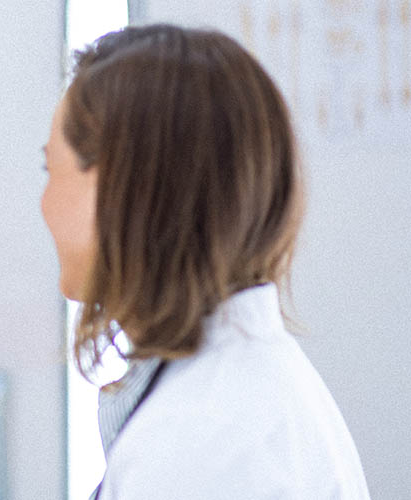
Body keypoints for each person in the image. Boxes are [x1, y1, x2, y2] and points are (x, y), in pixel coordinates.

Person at [41, 24, 370, 498]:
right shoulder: (228, 393)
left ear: (125, 190)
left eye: (50, 170)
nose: (44, 203)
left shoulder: (202, 437)